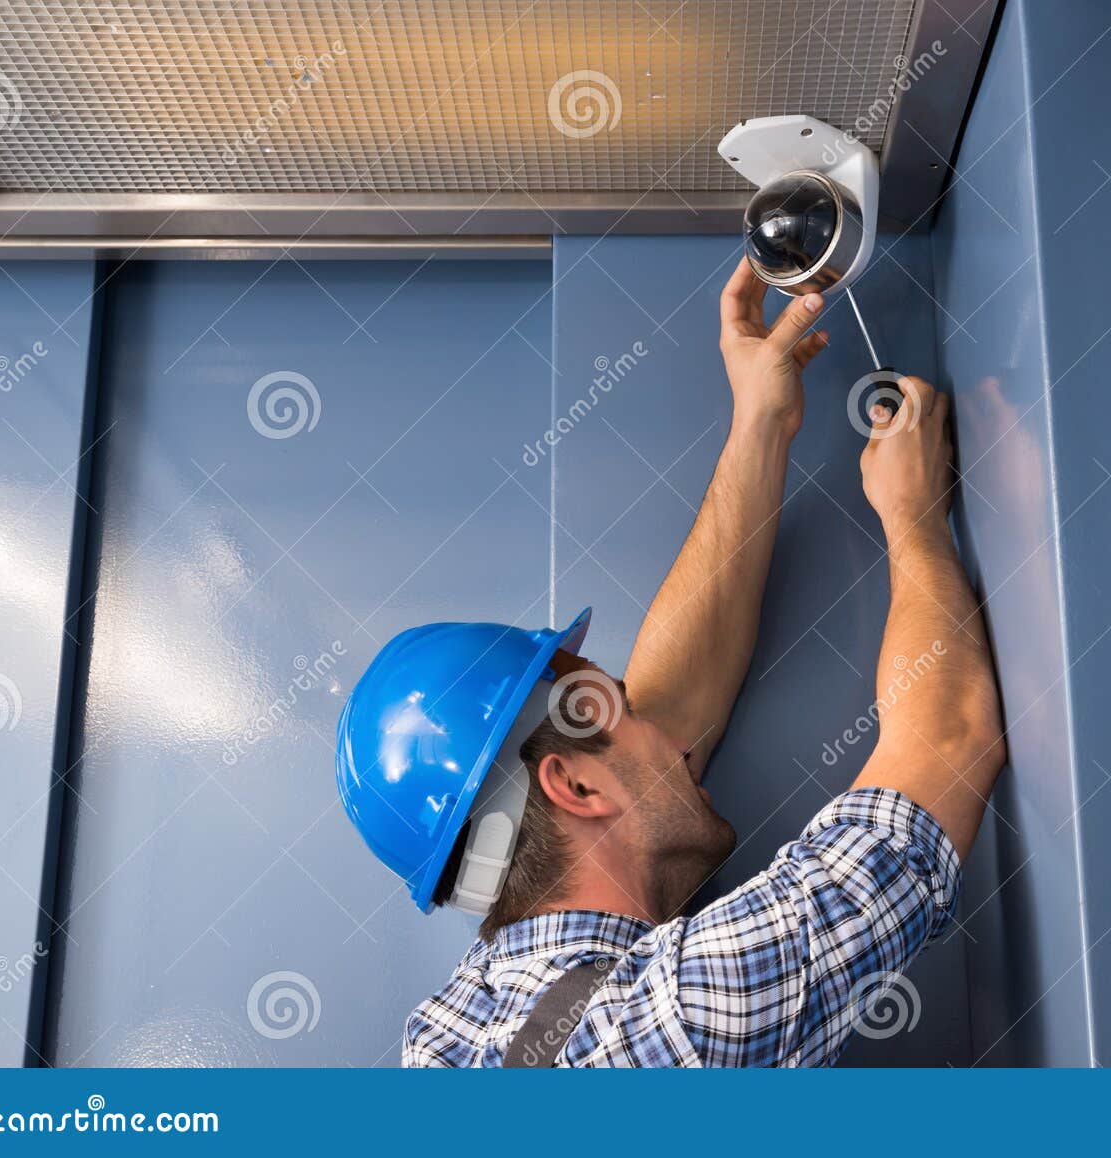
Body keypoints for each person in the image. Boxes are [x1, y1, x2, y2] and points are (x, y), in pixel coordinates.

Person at [335, 258, 1006, 1067]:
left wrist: (762, 421)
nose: (666, 731)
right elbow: (948, 741)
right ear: (575, 787)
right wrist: (913, 513)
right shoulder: (686, 1019)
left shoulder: (455, 1029)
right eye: (619, 706)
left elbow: (665, 720)